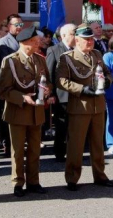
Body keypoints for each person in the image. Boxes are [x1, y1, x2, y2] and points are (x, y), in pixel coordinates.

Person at [56, 24, 113, 191]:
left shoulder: (97, 54)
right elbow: (61, 81)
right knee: (76, 145)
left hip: (98, 106)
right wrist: (81, 89)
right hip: (79, 106)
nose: (90, 42)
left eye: (91, 39)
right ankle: (72, 178)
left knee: (98, 144)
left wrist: (108, 81)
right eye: (86, 40)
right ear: (77, 40)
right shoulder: (67, 58)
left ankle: (100, 176)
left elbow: (107, 72)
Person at [0, 26, 52, 197]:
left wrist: (48, 90)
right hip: (18, 112)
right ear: (25, 43)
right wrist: (22, 97)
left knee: (35, 149)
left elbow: (48, 81)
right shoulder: (10, 61)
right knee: (18, 150)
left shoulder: (40, 59)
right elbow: (3, 90)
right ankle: (18, 183)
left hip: (36, 112)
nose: (39, 44)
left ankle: (33, 182)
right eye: (36, 42)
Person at [46, 23, 76, 162]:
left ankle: (72, 151)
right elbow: (49, 73)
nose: (76, 36)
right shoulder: (54, 50)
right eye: (73, 33)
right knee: (61, 125)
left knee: (75, 125)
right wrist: (50, 94)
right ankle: (59, 152)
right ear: (63, 36)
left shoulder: (78, 50)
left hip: (77, 94)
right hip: (61, 94)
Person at [0, 13, 24, 157]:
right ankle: (8, 145)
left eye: (21, 24)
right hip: (10, 85)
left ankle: (18, 144)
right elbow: (5, 64)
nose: (19, 27)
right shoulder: (3, 42)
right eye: (16, 25)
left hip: (24, 85)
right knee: (8, 116)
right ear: (8, 26)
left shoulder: (24, 40)